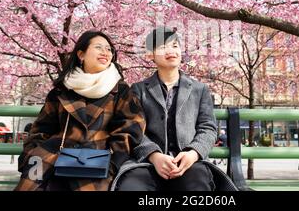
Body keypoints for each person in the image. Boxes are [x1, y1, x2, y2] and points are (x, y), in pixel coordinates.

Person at [14, 30, 146, 191]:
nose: (105, 52)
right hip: (50, 159)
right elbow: (41, 129)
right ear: (81, 55)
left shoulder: (121, 90)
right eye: (99, 47)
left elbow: (131, 129)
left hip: (96, 162)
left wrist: (113, 161)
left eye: (109, 49)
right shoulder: (62, 89)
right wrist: (32, 155)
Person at [112, 27, 237, 191]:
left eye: (175, 45)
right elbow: (134, 129)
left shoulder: (199, 90)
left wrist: (193, 153)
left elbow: (208, 128)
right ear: (150, 55)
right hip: (147, 164)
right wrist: (154, 156)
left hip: (190, 164)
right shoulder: (138, 90)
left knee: (196, 187)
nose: (171, 51)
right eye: (163, 47)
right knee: (131, 187)